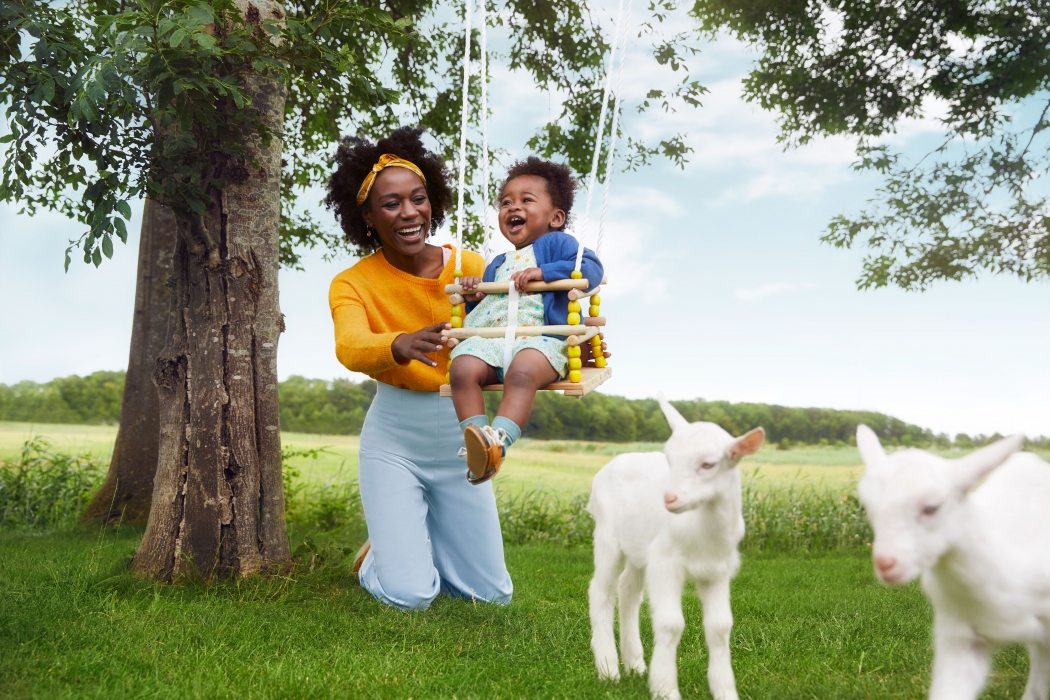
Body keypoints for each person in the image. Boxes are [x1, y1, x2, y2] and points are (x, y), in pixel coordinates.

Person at [325, 126, 513, 611]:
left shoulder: (470, 266)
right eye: (391, 204)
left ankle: (416, 540)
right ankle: (376, 559)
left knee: (491, 596)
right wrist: (399, 343)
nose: (409, 213)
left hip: (460, 439)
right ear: (366, 217)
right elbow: (349, 345)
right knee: (410, 596)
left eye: (418, 199)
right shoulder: (352, 283)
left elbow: (519, 322)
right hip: (395, 439)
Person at [449, 157, 605, 483]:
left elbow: (592, 269)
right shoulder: (498, 262)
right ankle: (478, 443)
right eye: (506, 202)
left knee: (521, 372)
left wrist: (545, 272)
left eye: (525, 200)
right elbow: (485, 307)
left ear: (556, 218)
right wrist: (472, 292)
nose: (512, 207)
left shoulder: (557, 244)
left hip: (541, 343)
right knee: (461, 368)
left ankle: (499, 441)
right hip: (494, 343)